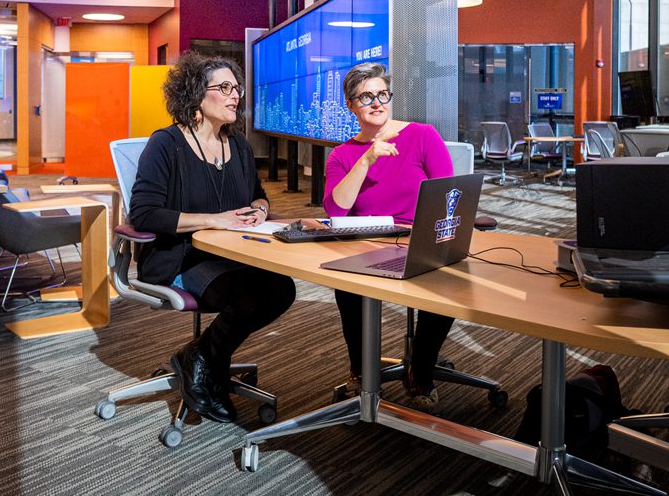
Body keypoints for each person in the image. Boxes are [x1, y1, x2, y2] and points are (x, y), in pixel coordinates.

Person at [129, 52, 296, 423]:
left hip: (232, 255)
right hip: (181, 256)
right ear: (196, 96)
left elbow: (258, 195)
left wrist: (261, 210)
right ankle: (210, 364)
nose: (235, 95)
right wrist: (216, 220)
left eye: (236, 88)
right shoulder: (166, 144)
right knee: (249, 299)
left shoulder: (238, 146)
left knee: (282, 288)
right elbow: (143, 213)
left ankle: (200, 355)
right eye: (224, 87)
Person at [322, 61, 454, 411]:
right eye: (366, 97)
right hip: (364, 247)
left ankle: (421, 371)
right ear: (350, 105)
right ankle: (361, 370)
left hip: (418, 241)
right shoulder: (343, 154)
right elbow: (336, 211)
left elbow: (449, 197)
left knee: (445, 281)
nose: (377, 103)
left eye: (382, 94)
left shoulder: (422, 135)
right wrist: (366, 159)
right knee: (346, 283)